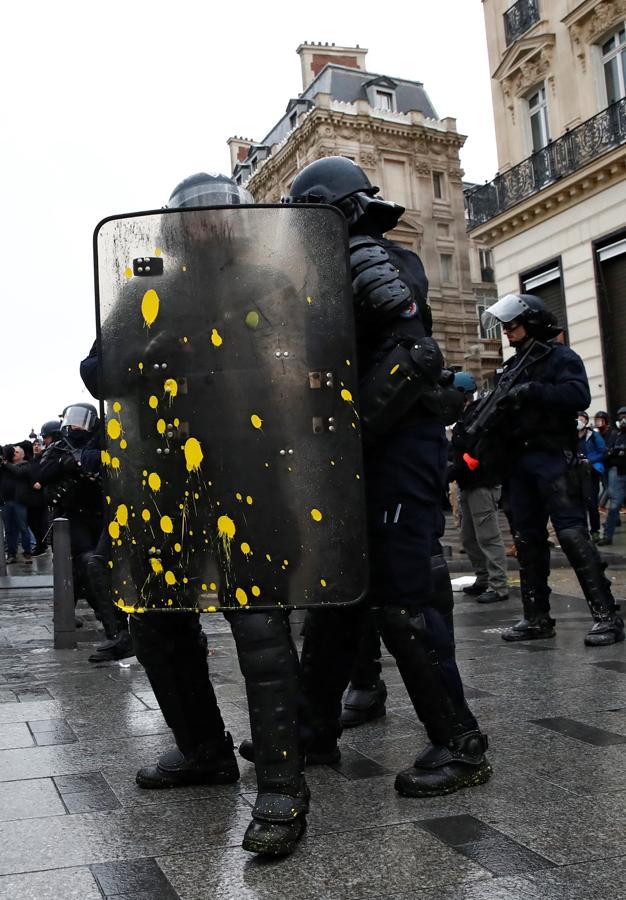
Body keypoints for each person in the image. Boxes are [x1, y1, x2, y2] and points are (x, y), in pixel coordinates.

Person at [87, 173, 312, 858]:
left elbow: (307, 362)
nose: (211, 225)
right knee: (155, 623)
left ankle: (281, 782)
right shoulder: (146, 288)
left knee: (261, 625)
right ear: (178, 226)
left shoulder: (268, 283)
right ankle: (203, 751)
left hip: (251, 471)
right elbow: (100, 372)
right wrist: (146, 356)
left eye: (223, 215)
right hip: (164, 479)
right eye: (199, 216)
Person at [275, 156, 491, 796]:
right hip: (370, 452)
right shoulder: (348, 260)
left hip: (395, 450)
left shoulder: (370, 255)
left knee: (402, 600)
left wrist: (352, 429)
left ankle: (461, 744)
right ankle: (311, 733)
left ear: (330, 211)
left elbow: (415, 354)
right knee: (338, 598)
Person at [470, 293, 623, 646]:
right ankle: (537, 617)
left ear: (533, 322)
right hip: (519, 463)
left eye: (513, 324)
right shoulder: (512, 366)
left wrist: (532, 391)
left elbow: (578, 395)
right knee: (527, 540)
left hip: (553, 457)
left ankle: (607, 617)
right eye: (505, 326)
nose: (507, 331)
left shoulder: (560, 357)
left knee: (571, 535)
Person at [36, 404, 133, 660]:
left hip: (100, 516)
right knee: (87, 565)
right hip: (71, 520)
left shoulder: (101, 444)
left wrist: (85, 461)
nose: (75, 426)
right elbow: (42, 473)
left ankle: (116, 628)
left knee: (96, 568)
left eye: (81, 421)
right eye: (72, 420)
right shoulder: (59, 447)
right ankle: (113, 628)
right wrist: (66, 463)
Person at [451, 373, 509, 604]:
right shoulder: (466, 417)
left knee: (488, 537)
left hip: (481, 483)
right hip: (468, 483)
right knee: (468, 538)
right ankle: (483, 578)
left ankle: (498, 585)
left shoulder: (480, 415)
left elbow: (481, 449)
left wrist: (461, 464)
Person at [0, 445, 34, 563]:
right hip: (6, 502)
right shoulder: (5, 466)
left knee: (23, 528)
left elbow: (18, 472)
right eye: (13, 452)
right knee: (9, 529)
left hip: (19, 502)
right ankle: (11, 554)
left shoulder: (25, 465)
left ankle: (27, 553)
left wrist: (5, 463)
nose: (14, 454)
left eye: (17, 452)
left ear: (23, 455)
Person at [597, 407, 626, 546]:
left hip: (619, 472)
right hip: (619, 473)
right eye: (620, 417)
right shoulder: (616, 435)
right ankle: (608, 535)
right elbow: (608, 454)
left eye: (624, 416)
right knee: (614, 506)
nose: (622, 419)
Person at [576, 411, 605, 542]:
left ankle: (595, 531)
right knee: (579, 504)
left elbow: (602, 451)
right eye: (577, 419)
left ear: (586, 421)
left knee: (592, 503)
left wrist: (589, 460)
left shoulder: (593, 435)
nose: (579, 421)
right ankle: (582, 531)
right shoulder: (572, 436)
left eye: (582, 419)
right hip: (577, 473)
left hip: (591, 472)